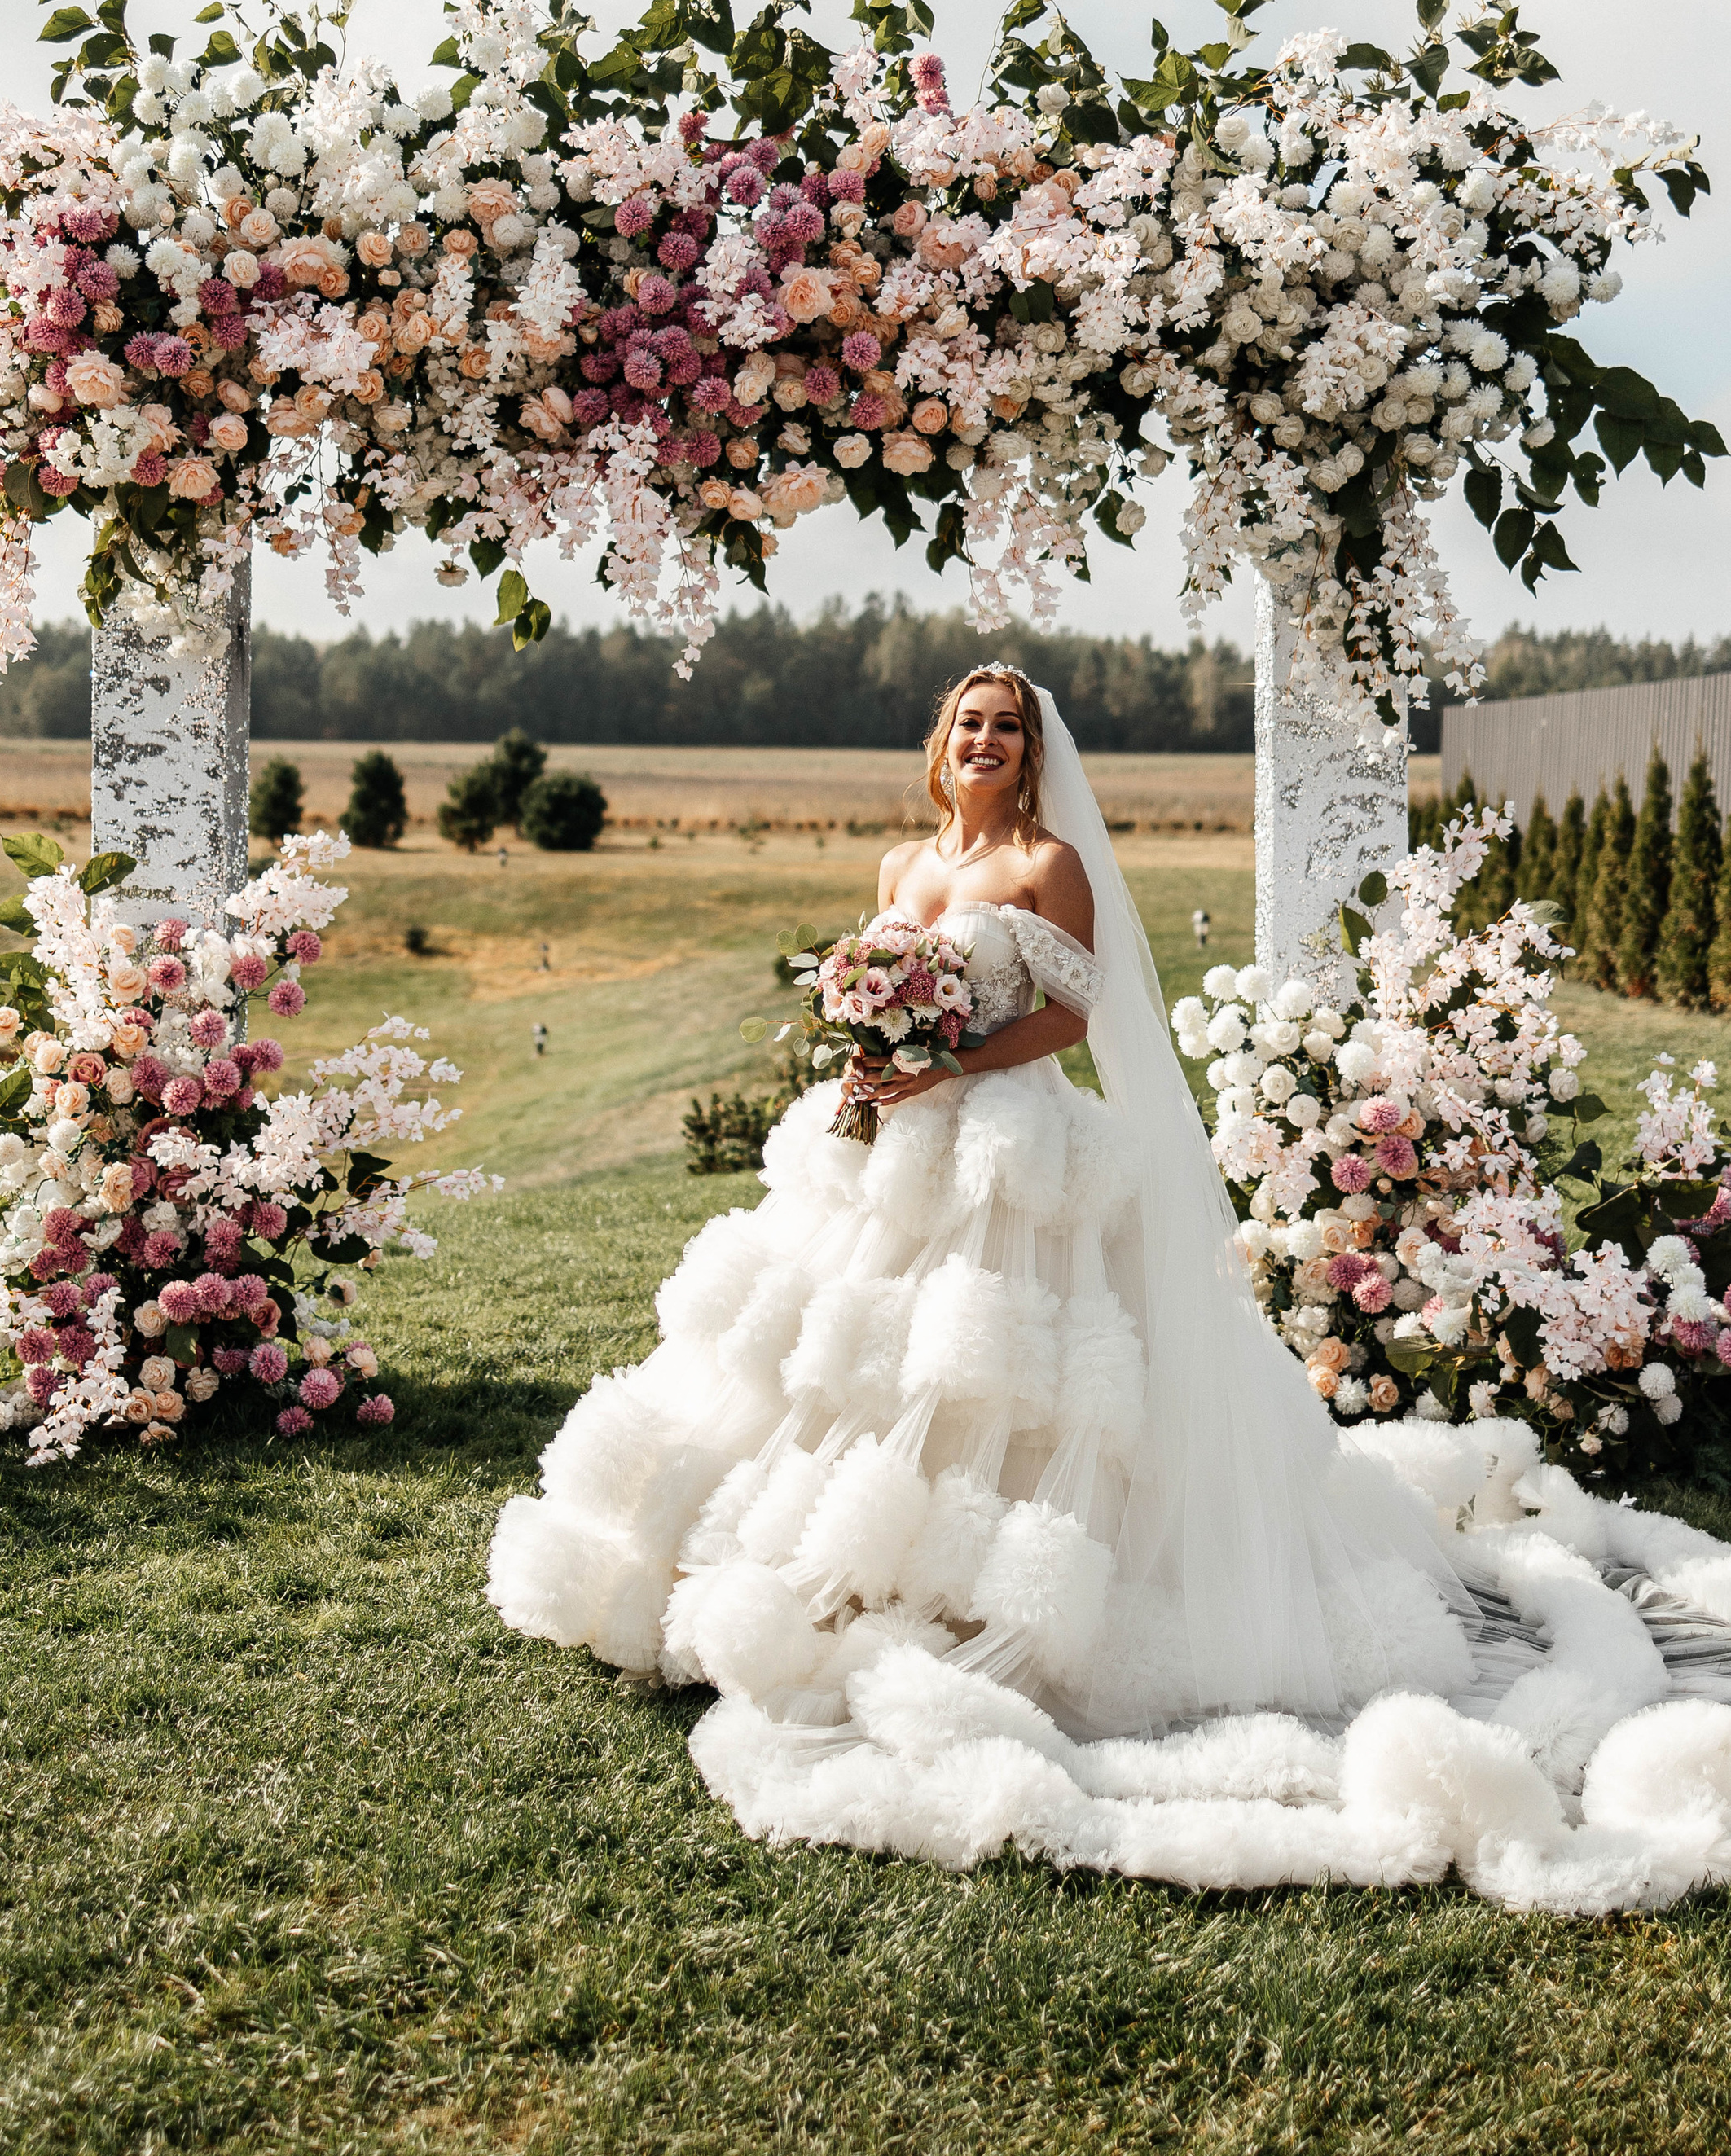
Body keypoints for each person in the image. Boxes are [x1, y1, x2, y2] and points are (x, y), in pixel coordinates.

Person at [490, 669, 1731, 1912]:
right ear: (943, 744)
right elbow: (879, 986)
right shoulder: (898, 866)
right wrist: (880, 1057)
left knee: (992, 1368)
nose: (985, 741)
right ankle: (812, 1564)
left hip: (1009, 1150)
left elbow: (1073, 1014)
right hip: (897, 1143)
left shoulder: (1048, 864)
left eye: (1007, 728)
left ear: (1032, 753)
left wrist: (949, 1059)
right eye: (969, 724)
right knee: (846, 1348)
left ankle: (974, 1584)